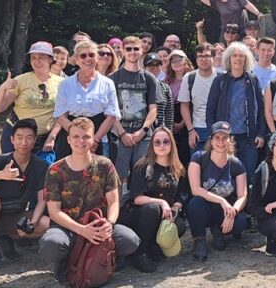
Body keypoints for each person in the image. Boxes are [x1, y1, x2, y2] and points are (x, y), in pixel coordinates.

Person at [38, 118, 140, 282]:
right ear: (68, 140)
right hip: (68, 227)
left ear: (93, 140)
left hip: (99, 225)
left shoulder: (105, 165)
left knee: (130, 241)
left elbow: (114, 201)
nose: (81, 141)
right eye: (76, 137)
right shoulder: (55, 170)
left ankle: (104, 258)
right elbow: (54, 211)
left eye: (86, 137)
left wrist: (109, 223)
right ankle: (69, 261)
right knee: (51, 245)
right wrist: (81, 230)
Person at [0, 119, 50, 267]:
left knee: (46, 224)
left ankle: (7, 238)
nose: (24, 142)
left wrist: (32, 223)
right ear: (12, 139)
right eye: (19, 137)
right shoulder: (1, 160)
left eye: (29, 138)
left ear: (35, 140)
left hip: (16, 216)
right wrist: (2, 175)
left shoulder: (40, 165)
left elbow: (42, 199)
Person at [118, 127, 186, 272]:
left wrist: (175, 209)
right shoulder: (143, 166)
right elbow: (137, 198)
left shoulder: (178, 167)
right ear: (152, 145)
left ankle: (152, 245)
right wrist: (162, 203)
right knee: (153, 209)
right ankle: (140, 253)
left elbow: (181, 196)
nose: (162, 145)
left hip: (164, 214)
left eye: (166, 142)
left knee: (179, 225)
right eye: (157, 142)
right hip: (139, 214)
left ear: (172, 144)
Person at [187, 121, 250, 261]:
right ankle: (199, 240)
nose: (220, 142)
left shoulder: (236, 164)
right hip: (205, 206)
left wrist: (233, 211)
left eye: (225, 138)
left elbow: (242, 195)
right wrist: (221, 201)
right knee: (194, 204)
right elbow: (195, 189)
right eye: (217, 137)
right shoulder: (199, 158)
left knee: (241, 222)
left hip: (225, 209)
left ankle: (218, 231)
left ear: (230, 140)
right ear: (211, 140)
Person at [51, 40, 121, 163]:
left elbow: (111, 115)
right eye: (83, 56)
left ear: (97, 58)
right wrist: (77, 136)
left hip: (99, 135)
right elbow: (60, 115)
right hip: (70, 136)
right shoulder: (65, 84)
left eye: (91, 55)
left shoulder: (107, 83)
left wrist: (94, 139)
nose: (88, 58)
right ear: (76, 60)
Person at [205, 42, 268, 177]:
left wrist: (261, 133)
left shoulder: (253, 80)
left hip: (249, 139)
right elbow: (210, 110)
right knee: (227, 176)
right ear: (229, 58)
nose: (238, 58)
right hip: (225, 139)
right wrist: (213, 134)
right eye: (234, 55)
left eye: (241, 56)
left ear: (246, 59)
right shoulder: (220, 81)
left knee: (248, 176)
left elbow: (262, 109)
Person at [0, 41, 63, 154]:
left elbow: (62, 115)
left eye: (41, 57)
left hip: (44, 139)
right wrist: (3, 87)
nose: (36, 61)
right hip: (17, 135)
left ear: (50, 59)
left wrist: (52, 137)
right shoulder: (21, 80)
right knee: (12, 165)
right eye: (33, 57)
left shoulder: (61, 83)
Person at [108, 37, 159, 186]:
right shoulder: (113, 78)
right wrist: (122, 133)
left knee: (141, 176)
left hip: (143, 135)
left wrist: (143, 131)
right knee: (118, 178)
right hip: (119, 134)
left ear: (142, 50)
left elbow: (153, 109)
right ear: (123, 51)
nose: (132, 52)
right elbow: (110, 110)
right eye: (128, 49)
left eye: (136, 48)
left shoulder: (149, 78)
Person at [172, 0, 260, 39]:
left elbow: (247, 4)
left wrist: (258, 14)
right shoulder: (216, 2)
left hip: (241, 32)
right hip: (227, 34)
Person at [178, 43, 220, 154]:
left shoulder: (222, 77)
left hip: (219, 128)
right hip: (198, 129)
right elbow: (184, 105)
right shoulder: (189, 78)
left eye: (207, 56)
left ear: (213, 58)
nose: (203, 59)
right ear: (196, 59)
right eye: (200, 56)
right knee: (197, 162)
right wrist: (190, 130)